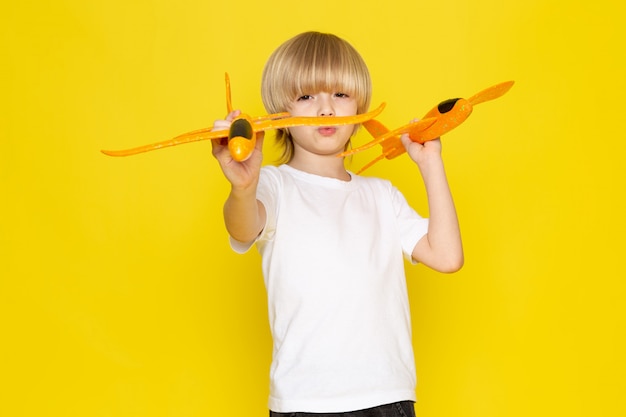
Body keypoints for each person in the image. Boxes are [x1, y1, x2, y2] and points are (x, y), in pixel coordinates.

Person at [211, 31, 463, 417]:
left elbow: (447, 256)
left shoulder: (382, 195)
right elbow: (242, 228)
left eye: (341, 95)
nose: (326, 109)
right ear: (280, 111)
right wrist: (243, 186)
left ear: (360, 105)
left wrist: (430, 165)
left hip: (387, 400)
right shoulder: (275, 186)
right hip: (304, 403)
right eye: (306, 96)